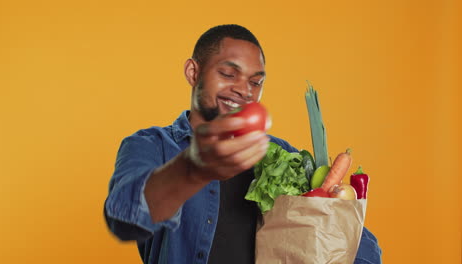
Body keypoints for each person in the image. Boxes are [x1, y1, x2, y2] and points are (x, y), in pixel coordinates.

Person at [104, 24, 382, 264]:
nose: (244, 90)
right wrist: (194, 168)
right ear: (193, 72)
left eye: (255, 82)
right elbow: (125, 216)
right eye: (228, 74)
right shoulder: (151, 145)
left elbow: (355, 237)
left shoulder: (280, 156)